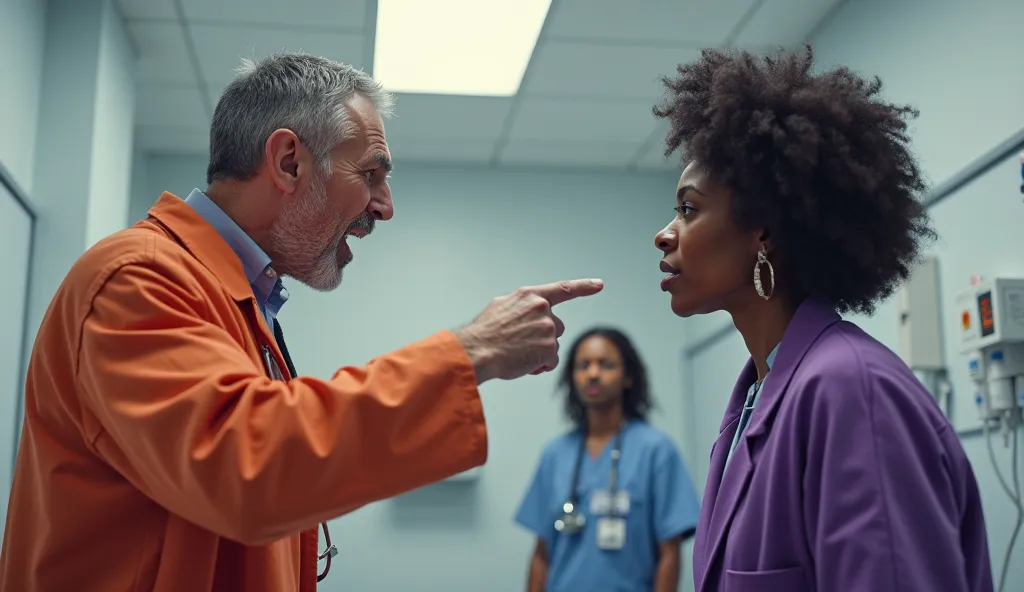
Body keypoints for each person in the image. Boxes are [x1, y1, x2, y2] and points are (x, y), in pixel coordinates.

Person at [0, 53, 604, 591]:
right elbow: (246, 466)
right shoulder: (137, 279)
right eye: (371, 174)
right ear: (289, 162)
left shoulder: (235, 295)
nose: (385, 207)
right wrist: (469, 352)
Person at [651, 45, 994, 592]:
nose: (665, 233)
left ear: (762, 230)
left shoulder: (851, 390)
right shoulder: (754, 400)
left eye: (688, 208)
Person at [515, 327, 701, 592]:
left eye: (606, 365)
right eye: (583, 365)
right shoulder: (555, 454)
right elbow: (541, 555)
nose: (592, 374)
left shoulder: (656, 450)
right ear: (572, 377)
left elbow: (669, 554)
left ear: (628, 377)